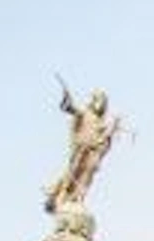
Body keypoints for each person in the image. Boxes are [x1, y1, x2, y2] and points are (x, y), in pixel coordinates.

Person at [44, 84, 120, 214]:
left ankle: (79, 198)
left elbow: (104, 141)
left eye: (103, 102)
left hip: (93, 152)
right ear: (93, 101)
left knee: (87, 176)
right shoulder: (85, 113)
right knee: (73, 172)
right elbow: (71, 109)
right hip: (81, 149)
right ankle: (59, 193)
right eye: (98, 100)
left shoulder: (101, 123)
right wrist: (67, 103)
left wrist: (112, 128)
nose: (100, 104)